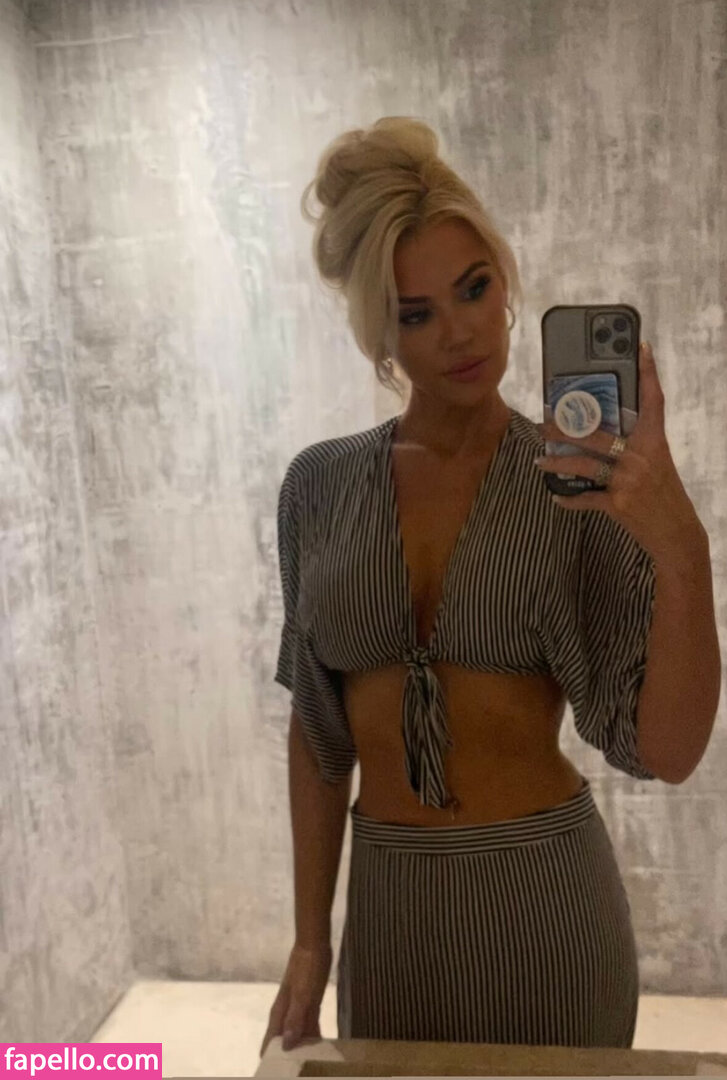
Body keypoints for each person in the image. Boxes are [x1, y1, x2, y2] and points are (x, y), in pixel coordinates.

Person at [259, 117, 720, 1054]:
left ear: (505, 286)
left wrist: (683, 550)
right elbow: (318, 732)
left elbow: (668, 750)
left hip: (549, 905)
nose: (459, 331)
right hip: (390, 913)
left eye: (474, 288)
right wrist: (310, 942)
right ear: (378, 330)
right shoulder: (319, 486)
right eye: (415, 312)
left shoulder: (574, 482)